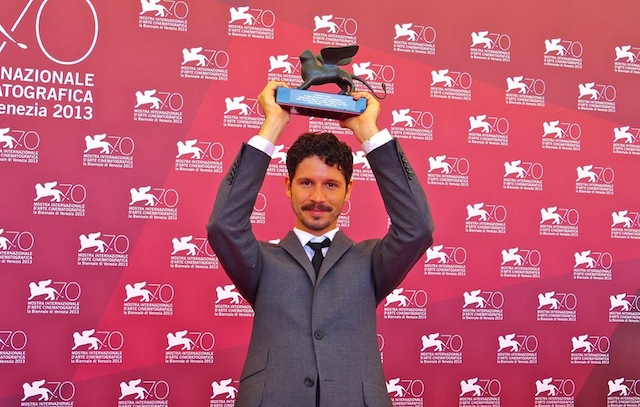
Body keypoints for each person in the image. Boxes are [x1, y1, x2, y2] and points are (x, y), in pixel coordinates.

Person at [207, 81, 435, 407]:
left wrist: (368, 131)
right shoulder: (261, 263)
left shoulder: (370, 262)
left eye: (331, 184)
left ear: (348, 190)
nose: (317, 197)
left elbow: (418, 228)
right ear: (288, 186)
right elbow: (224, 226)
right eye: (306, 183)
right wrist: (273, 124)